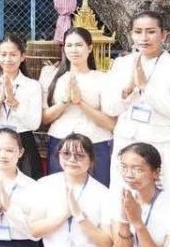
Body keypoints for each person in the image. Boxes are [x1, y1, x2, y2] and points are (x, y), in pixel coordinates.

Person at [105, 10, 170, 196]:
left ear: (164, 35)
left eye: (151, 31)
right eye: (138, 32)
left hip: (165, 144)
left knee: (169, 199)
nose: (144, 38)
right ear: (131, 34)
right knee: (124, 199)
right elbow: (109, 108)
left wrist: (146, 87)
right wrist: (127, 92)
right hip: (128, 141)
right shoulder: (121, 64)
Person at [40, 27, 116, 185]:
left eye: (79, 45)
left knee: (96, 191)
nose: (74, 50)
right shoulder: (50, 75)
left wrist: (80, 102)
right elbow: (44, 119)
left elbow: (110, 123)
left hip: (95, 143)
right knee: (60, 190)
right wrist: (64, 102)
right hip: (61, 142)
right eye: (69, 45)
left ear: (90, 48)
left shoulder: (103, 79)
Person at [0, 34, 44, 179]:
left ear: (22, 56)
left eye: (13, 54)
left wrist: (14, 103)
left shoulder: (33, 86)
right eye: (3, 54)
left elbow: (34, 124)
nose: (8, 59)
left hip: (23, 142)